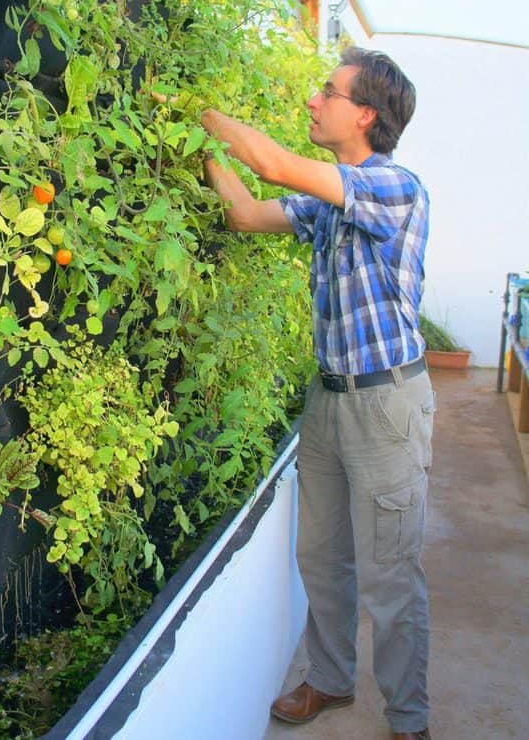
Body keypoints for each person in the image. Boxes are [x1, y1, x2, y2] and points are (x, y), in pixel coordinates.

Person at [199, 47, 434, 740]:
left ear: (365, 113)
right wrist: (194, 152)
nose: (312, 100)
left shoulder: (395, 186)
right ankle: (330, 682)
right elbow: (246, 212)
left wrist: (205, 117)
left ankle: (409, 719)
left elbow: (270, 165)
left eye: (326, 92)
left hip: (387, 406)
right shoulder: (329, 202)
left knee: (391, 578)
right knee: (323, 560)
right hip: (329, 402)